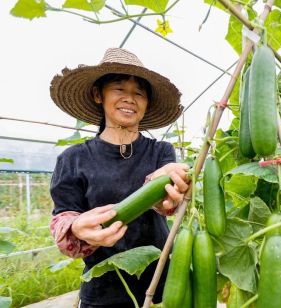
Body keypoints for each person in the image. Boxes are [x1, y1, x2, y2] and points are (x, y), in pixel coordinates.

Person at [49, 47, 190, 307]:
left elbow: (168, 202)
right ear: (97, 95)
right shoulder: (73, 158)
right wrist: (76, 228)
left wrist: (166, 192)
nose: (130, 98)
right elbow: (63, 215)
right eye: (119, 89)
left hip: (160, 284)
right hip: (103, 292)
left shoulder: (161, 151)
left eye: (139, 93)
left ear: (146, 103)